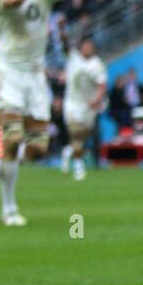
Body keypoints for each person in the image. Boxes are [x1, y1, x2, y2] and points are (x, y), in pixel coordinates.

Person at [0, 0, 80, 226]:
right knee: (11, 138)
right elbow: (16, 0)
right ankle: (9, 209)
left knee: (37, 149)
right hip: (8, 71)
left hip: (36, 74)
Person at [60, 36, 107, 182]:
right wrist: (62, 31)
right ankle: (79, 166)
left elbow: (102, 84)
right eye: (85, 45)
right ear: (81, 47)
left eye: (90, 46)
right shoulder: (73, 58)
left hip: (89, 104)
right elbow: (65, 44)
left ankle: (69, 151)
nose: (87, 48)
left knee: (83, 135)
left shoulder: (97, 64)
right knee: (75, 130)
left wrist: (97, 99)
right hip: (72, 102)